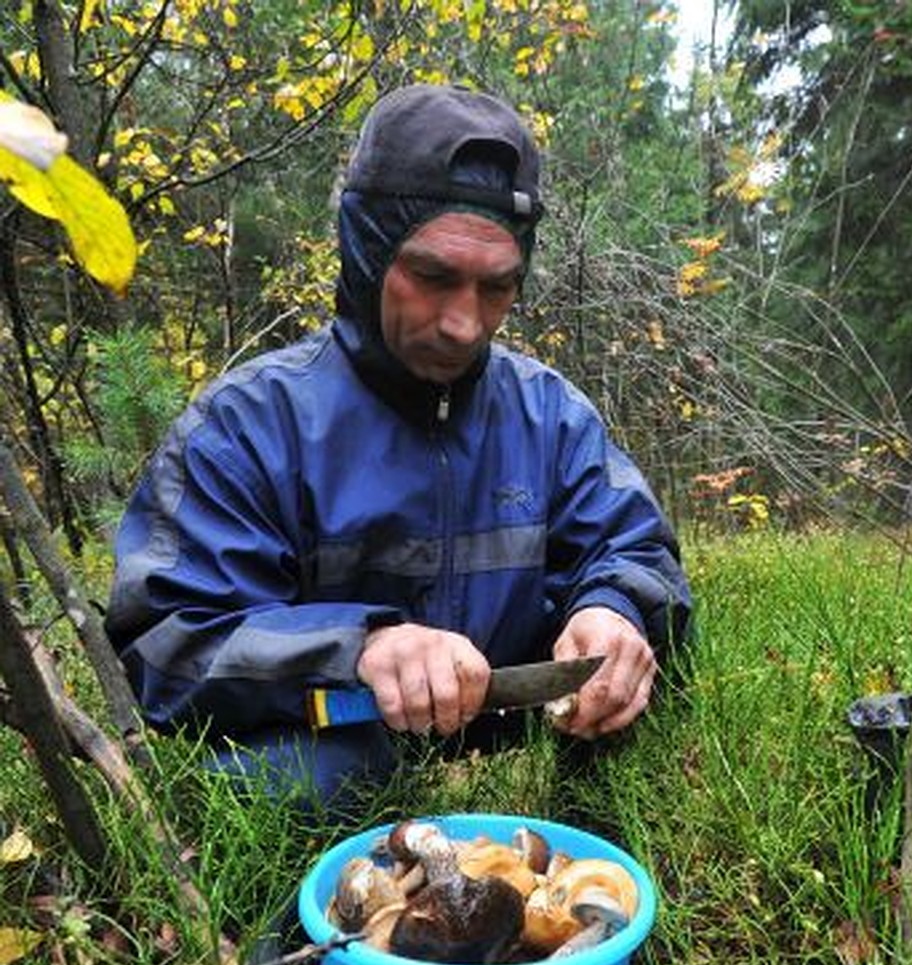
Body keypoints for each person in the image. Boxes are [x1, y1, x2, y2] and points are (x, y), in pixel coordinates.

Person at [104, 83, 692, 807]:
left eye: (497, 287)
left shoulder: (551, 415)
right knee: (303, 783)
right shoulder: (247, 426)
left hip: (525, 745)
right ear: (366, 250)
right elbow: (167, 643)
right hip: (337, 742)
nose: (463, 324)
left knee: (646, 703)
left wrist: (614, 612)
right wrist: (360, 650)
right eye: (434, 276)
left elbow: (635, 552)